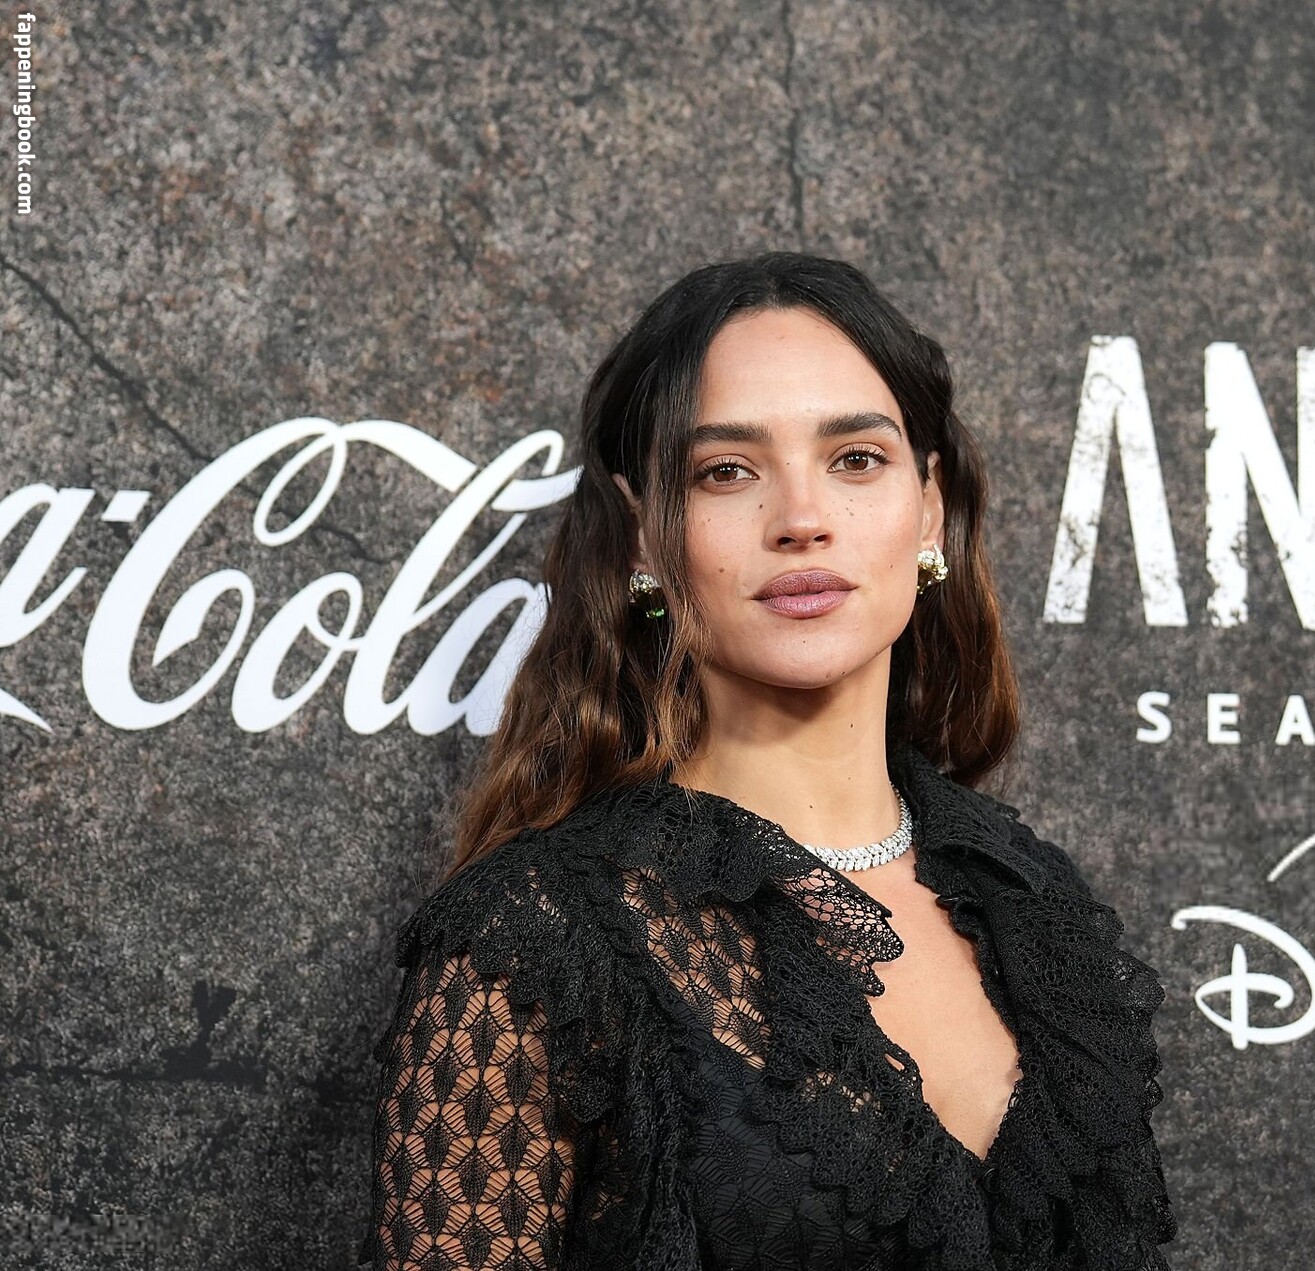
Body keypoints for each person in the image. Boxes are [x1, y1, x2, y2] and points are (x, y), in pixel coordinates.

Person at [358, 251, 1178, 1270]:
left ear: (928, 509)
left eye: (857, 459)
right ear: (644, 537)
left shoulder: (1035, 903)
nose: (801, 519)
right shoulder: (532, 940)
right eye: (727, 471)